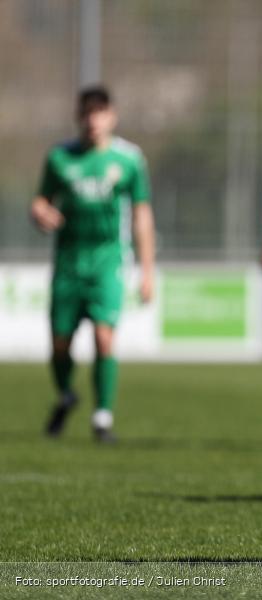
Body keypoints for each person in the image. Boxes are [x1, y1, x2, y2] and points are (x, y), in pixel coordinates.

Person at [30, 85, 156, 443]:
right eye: (87, 114)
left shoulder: (130, 159)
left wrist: (147, 271)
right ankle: (66, 393)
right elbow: (40, 201)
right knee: (59, 343)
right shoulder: (60, 158)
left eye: (100, 113)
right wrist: (39, 212)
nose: (93, 121)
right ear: (78, 117)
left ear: (112, 116)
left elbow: (142, 215)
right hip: (69, 263)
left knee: (104, 337)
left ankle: (102, 416)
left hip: (109, 261)